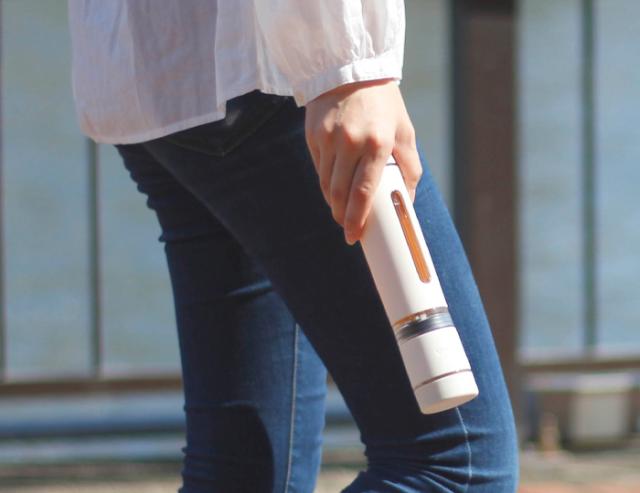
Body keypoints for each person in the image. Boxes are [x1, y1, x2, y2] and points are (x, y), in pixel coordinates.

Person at [67, 1, 519, 492]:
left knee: (241, 479)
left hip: (163, 70)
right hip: (268, 69)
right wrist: (348, 66)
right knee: (457, 468)